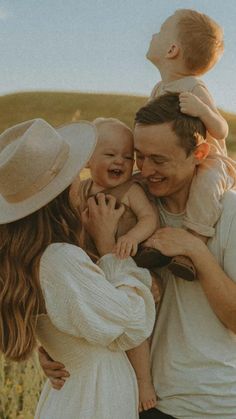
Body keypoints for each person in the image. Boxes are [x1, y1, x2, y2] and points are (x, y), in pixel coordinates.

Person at [41, 93, 236, 418]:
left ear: (198, 153)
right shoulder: (127, 206)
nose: (145, 171)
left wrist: (194, 249)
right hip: (134, 397)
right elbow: (91, 293)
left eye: (159, 160)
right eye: (140, 157)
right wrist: (55, 348)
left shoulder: (229, 212)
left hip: (209, 403)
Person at [0, 118, 156, 419]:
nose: (79, 180)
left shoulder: (26, 257)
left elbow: (63, 321)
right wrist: (109, 247)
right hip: (95, 398)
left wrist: (53, 351)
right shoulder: (60, 259)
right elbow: (132, 322)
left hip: (72, 392)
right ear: (58, 193)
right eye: (73, 174)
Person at [77, 116, 160, 411]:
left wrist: (133, 237)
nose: (120, 162)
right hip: (94, 270)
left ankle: (142, 380)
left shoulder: (130, 191)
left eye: (128, 156)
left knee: (133, 326)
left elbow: (150, 218)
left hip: (127, 267)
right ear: (87, 159)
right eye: (110, 155)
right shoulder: (80, 191)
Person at [146, 8, 236, 280]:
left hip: (208, 160)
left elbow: (221, 130)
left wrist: (202, 111)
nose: (153, 34)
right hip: (176, 163)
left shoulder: (195, 87)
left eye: (161, 31)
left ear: (172, 49)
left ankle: (191, 243)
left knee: (207, 187)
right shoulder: (158, 89)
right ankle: (144, 239)